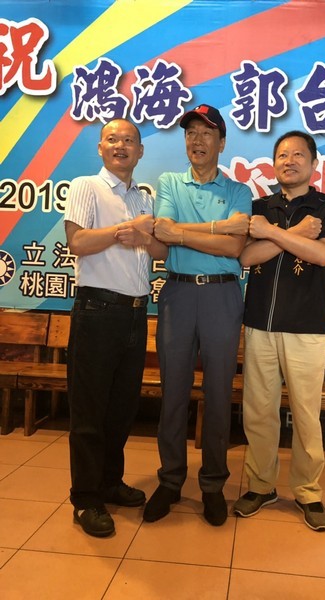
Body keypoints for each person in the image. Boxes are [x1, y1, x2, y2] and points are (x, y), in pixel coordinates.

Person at [143, 104, 252, 527]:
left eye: (206, 133)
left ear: (221, 143)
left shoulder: (239, 191)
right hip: (178, 293)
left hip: (223, 296)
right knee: (173, 390)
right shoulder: (170, 182)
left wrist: (184, 234)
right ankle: (170, 480)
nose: (197, 140)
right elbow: (162, 230)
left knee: (219, 392)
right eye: (191, 133)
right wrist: (218, 228)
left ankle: (212, 485)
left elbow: (234, 248)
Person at [233, 131, 325, 531]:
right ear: (274, 163)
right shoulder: (258, 209)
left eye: (299, 154)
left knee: (305, 414)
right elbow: (246, 257)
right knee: (258, 411)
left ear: (314, 163)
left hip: (305, 327)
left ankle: (308, 492)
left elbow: (322, 254)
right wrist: (293, 233)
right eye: (282, 155)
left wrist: (272, 234)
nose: (290, 161)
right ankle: (261, 485)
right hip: (259, 323)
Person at [64, 118, 168, 538]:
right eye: (112, 139)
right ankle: (85, 499)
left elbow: (159, 251)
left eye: (129, 140)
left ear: (140, 151)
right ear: (100, 148)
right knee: (89, 411)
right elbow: (77, 242)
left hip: (135, 314)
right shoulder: (86, 186)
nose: (120, 145)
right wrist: (125, 231)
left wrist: (145, 236)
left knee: (121, 408)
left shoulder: (144, 198)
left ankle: (109, 481)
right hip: (97, 311)